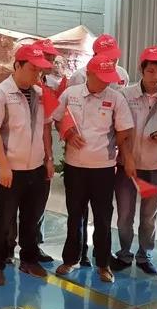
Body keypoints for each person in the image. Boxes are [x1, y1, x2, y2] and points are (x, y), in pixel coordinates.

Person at [52, 51, 134, 282]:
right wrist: (67, 133)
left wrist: (117, 149)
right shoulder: (71, 94)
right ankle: (71, 259)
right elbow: (57, 118)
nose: (106, 82)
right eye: (102, 78)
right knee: (74, 215)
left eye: (109, 78)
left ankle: (103, 264)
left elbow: (125, 129)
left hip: (103, 169)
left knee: (103, 218)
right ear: (89, 74)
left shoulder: (116, 98)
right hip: (75, 167)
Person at [0, 44, 55, 286]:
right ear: (17, 66)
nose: (37, 75)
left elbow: (46, 128)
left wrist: (48, 159)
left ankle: (29, 260)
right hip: (10, 171)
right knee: (3, 220)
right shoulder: (0, 93)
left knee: (31, 219)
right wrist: (3, 165)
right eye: (33, 69)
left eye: (40, 70)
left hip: (36, 168)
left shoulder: (41, 94)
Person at [69, 33, 129, 267]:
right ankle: (79, 252)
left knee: (103, 212)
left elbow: (123, 117)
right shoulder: (77, 78)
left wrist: (120, 149)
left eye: (114, 57)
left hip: (105, 157)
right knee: (78, 210)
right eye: (107, 57)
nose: (112, 62)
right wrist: (68, 134)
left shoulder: (121, 76)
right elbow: (65, 115)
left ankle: (102, 256)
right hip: (79, 156)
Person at [112, 46, 157, 275]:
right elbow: (120, 130)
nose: (155, 77)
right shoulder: (125, 95)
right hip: (126, 165)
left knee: (149, 217)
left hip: (154, 166)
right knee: (124, 215)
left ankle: (144, 254)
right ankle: (124, 253)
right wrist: (126, 158)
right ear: (141, 69)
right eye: (151, 71)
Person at [6, 38, 62, 264]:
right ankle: (7, 247)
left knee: (36, 207)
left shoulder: (49, 87)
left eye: (51, 59)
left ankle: (33, 246)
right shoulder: (13, 87)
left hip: (38, 157)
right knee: (10, 209)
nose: (48, 62)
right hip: (15, 160)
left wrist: (49, 157)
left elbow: (47, 126)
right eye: (45, 57)